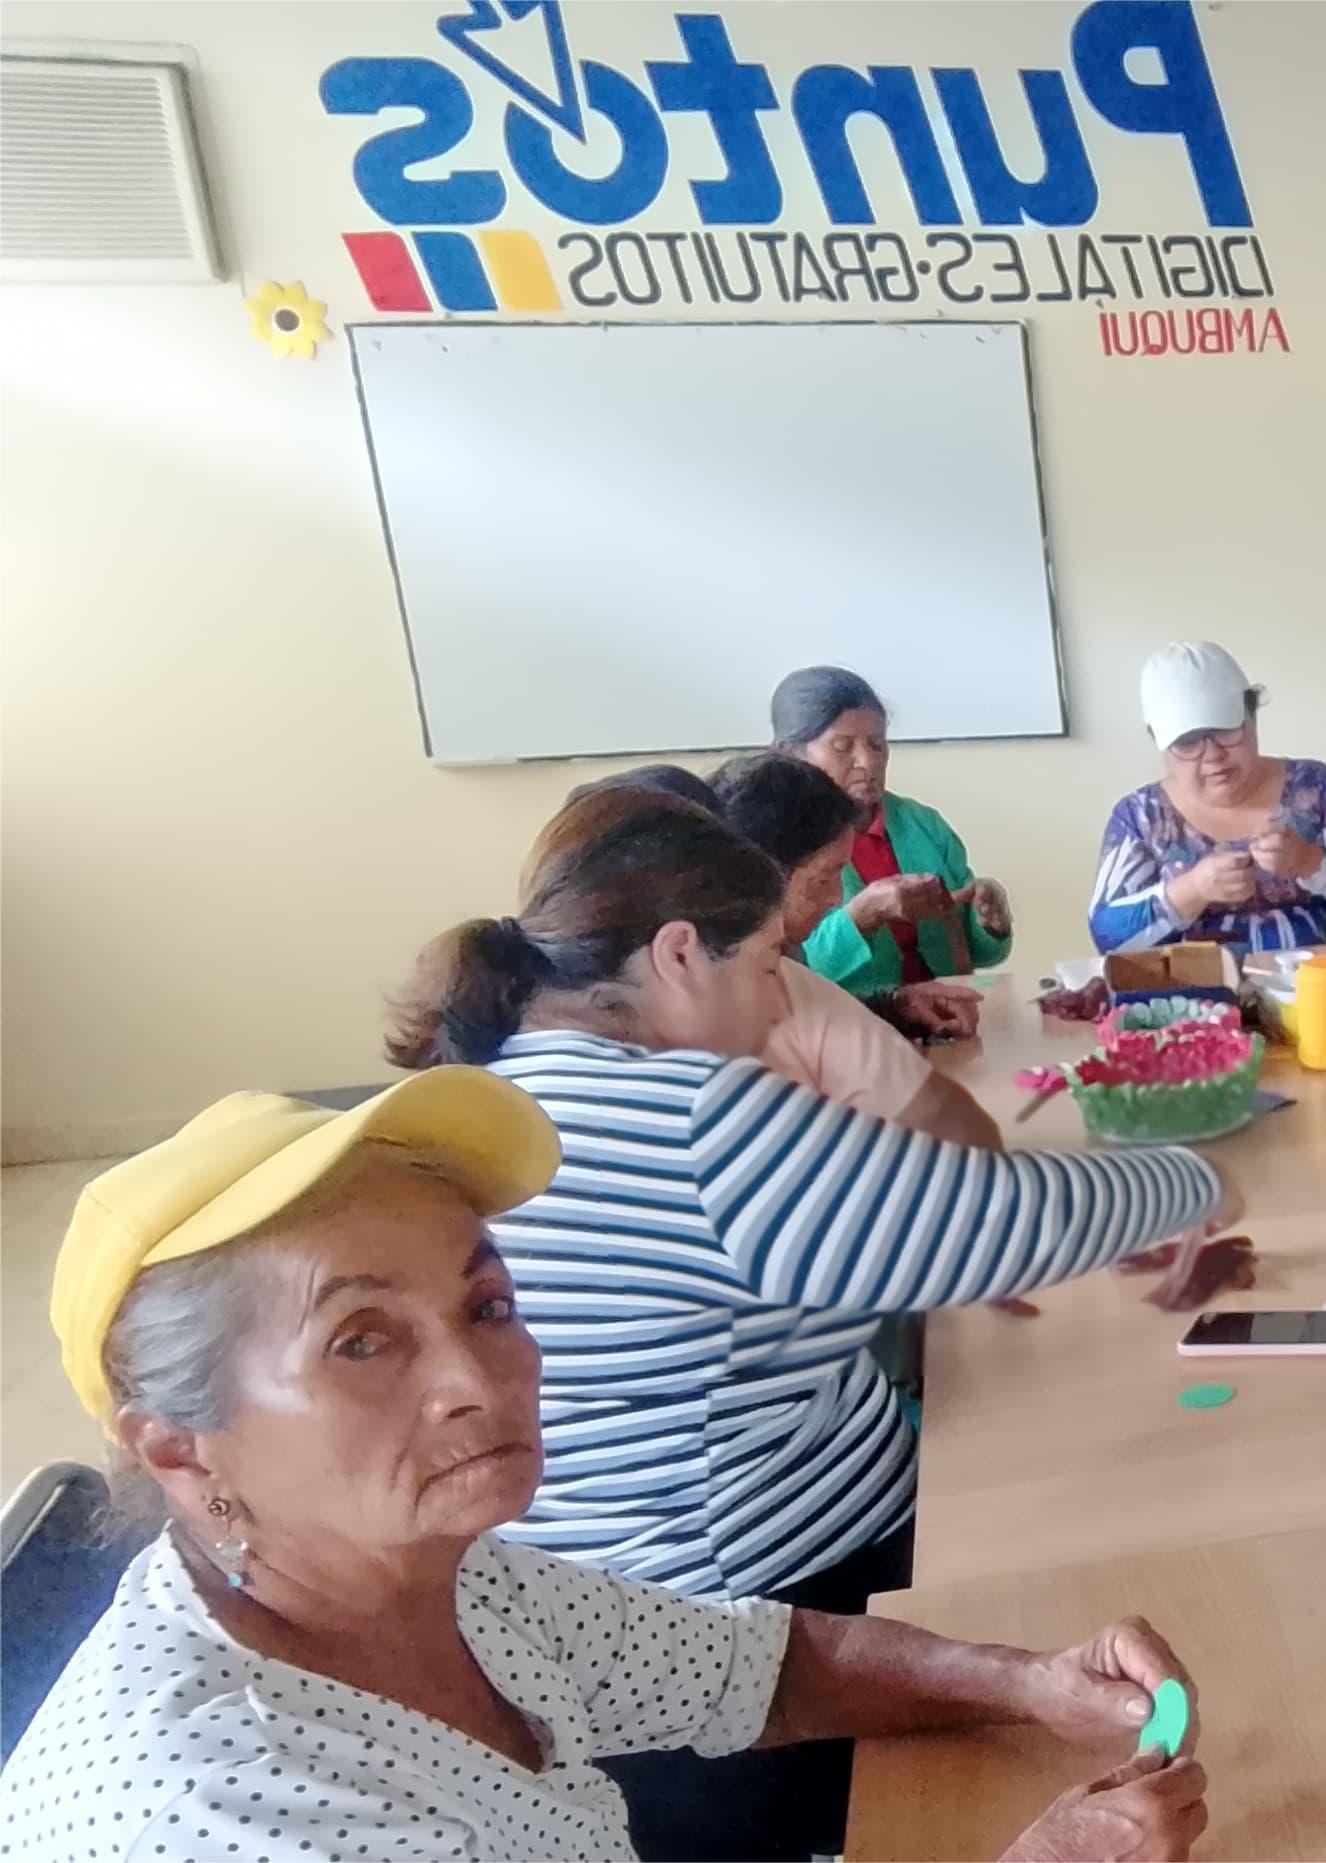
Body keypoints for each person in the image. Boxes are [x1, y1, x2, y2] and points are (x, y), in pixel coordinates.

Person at [5, 1073, 1210, 1863]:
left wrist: (1031, 1683)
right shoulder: (235, 1808)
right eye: (361, 1341)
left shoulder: (434, 1575)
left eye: (484, 1304)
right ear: (179, 1447)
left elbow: (766, 1672)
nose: (476, 1378)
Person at [386, 788, 1226, 1853]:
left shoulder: (486, 1091)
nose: (781, 1006)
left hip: (620, 1637)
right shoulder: (696, 1113)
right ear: (680, 955)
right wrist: (1197, 1180)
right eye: (771, 963)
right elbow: (997, 1221)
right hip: (762, 1637)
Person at [712, 751, 1001, 1150]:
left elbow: (810, 1013)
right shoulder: (720, 979)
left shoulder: (779, 956)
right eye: (822, 879)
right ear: (760, 874)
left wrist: (892, 1007)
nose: (835, 898)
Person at [1090, 641, 1326, 952]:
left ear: (1252, 718)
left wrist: (1308, 861)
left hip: (1323, 980)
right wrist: (1194, 889)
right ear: (1160, 743)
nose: (1213, 755)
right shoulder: (1141, 816)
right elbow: (1107, 937)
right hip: (1199, 986)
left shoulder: (1312, 786)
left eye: (1225, 731)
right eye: (1188, 742)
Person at [772, 666, 1015, 992]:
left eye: (876, 744)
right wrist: (862, 917)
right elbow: (780, 971)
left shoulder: (922, 824)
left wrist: (989, 924)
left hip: (947, 1009)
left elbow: (978, 953)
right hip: (844, 1017)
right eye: (842, 747)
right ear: (789, 754)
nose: (867, 762)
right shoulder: (774, 840)